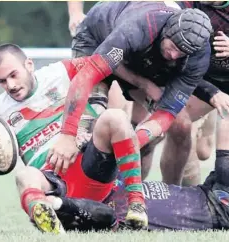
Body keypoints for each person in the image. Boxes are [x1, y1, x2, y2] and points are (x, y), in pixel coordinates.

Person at [0, 44, 148, 234]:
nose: (10, 85)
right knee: (24, 175)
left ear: (29, 65)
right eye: (2, 81)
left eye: (13, 75)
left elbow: (108, 66)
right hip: (51, 182)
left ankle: (136, 205)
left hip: (89, 165)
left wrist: (148, 91)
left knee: (115, 117)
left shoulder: (61, 72)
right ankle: (49, 218)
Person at [49, 1, 218, 182]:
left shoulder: (197, 56)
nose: (175, 55)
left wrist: (135, 141)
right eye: (174, 48)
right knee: (88, 122)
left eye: (182, 53)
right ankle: (62, 186)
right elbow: (85, 77)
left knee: (179, 123)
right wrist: (67, 135)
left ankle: (163, 190)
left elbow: (167, 112)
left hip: (140, 57)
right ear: (166, 32)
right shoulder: (139, 27)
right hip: (97, 39)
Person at [40, 107, 229, 232]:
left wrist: (82, 143)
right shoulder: (109, 213)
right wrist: (57, 203)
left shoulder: (115, 178)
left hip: (206, 192)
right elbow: (95, 213)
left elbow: (131, 144)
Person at [171, 0, 229, 186]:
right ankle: (182, 196)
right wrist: (210, 92)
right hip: (208, 80)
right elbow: (177, 66)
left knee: (205, 151)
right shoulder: (185, 5)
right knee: (178, 123)